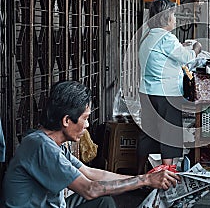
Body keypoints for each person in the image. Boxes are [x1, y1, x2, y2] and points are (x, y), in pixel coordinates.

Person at [1, 81, 180, 208]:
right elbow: (89, 189)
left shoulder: (53, 143)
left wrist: (143, 179)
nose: (87, 126)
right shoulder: (41, 146)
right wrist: (145, 180)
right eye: (85, 119)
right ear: (66, 120)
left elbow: (91, 173)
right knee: (99, 197)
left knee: (105, 201)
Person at [138, 0, 201, 174]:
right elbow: (187, 57)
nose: (175, 19)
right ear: (165, 17)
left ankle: (140, 173)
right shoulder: (166, 38)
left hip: (147, 92)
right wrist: (196, 48)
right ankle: (168, 177)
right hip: (166, 94)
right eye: (173, 15)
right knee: (169, 135)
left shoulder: (148, 36)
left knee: (148, 134)